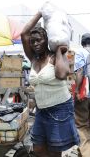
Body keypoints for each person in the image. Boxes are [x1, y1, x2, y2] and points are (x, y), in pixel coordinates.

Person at [21, 12, 79, 157]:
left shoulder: (55, 57)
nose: (35, 44)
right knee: (38, 148)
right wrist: (40, 13)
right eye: (32, 41)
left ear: (46, 40)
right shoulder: (33, 58)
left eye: (39, 40)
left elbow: (62, 75)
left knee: (54, 151)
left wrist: (59, 51)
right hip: (41, 110)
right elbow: (23, 34)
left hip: (59, 109)